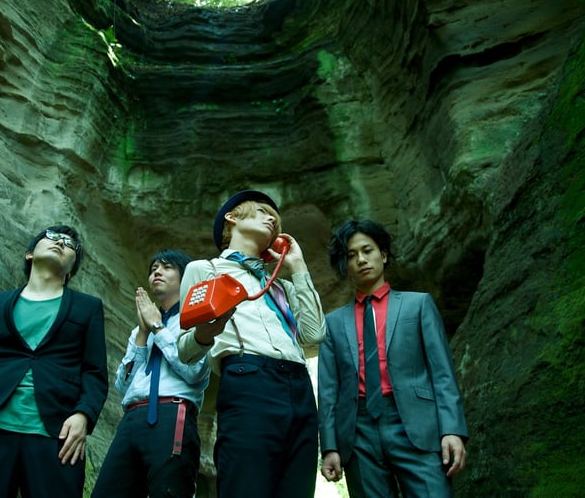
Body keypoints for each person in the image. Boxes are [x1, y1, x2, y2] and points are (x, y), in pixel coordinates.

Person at [177, 190, 326, 498]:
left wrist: (298, 267)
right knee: (245, 486)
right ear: (232, 217)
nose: (271, 219)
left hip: (299, 386)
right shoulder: (204, 269)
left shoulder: (281, 287)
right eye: (261, 211)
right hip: (247, 378)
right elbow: (185, 351)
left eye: (275, 219)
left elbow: (313, 336)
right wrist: (208, 331)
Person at [0, 225, 108, 498]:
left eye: (70, 244)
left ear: (71, 271)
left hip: (58, 436)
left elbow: (94, 373)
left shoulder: (88, 307)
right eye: (52, 237)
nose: (61, 243)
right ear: (29, 254)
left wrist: (84, 415)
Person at [318, 219, 468, 497]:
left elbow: (443, 373)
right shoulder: (333, 323)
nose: (361, 260)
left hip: (416, 423)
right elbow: (328, 391)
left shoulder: (418, 305)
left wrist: (452, 429)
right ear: (345, 266)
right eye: (351, 255)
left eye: (368, 250)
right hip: (358, 431)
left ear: (383, 255)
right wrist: (329, 446)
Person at [92, 249, 210, 497]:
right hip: (132, 416)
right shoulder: (140, 330)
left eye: (167, 267)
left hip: (172, 412)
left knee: (169, 491)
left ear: (185, 277)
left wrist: (158, 327)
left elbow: (194, 372)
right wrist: (144, 333)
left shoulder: (198, 318)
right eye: (153, 268)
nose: (157, 272)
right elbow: (122, 385)